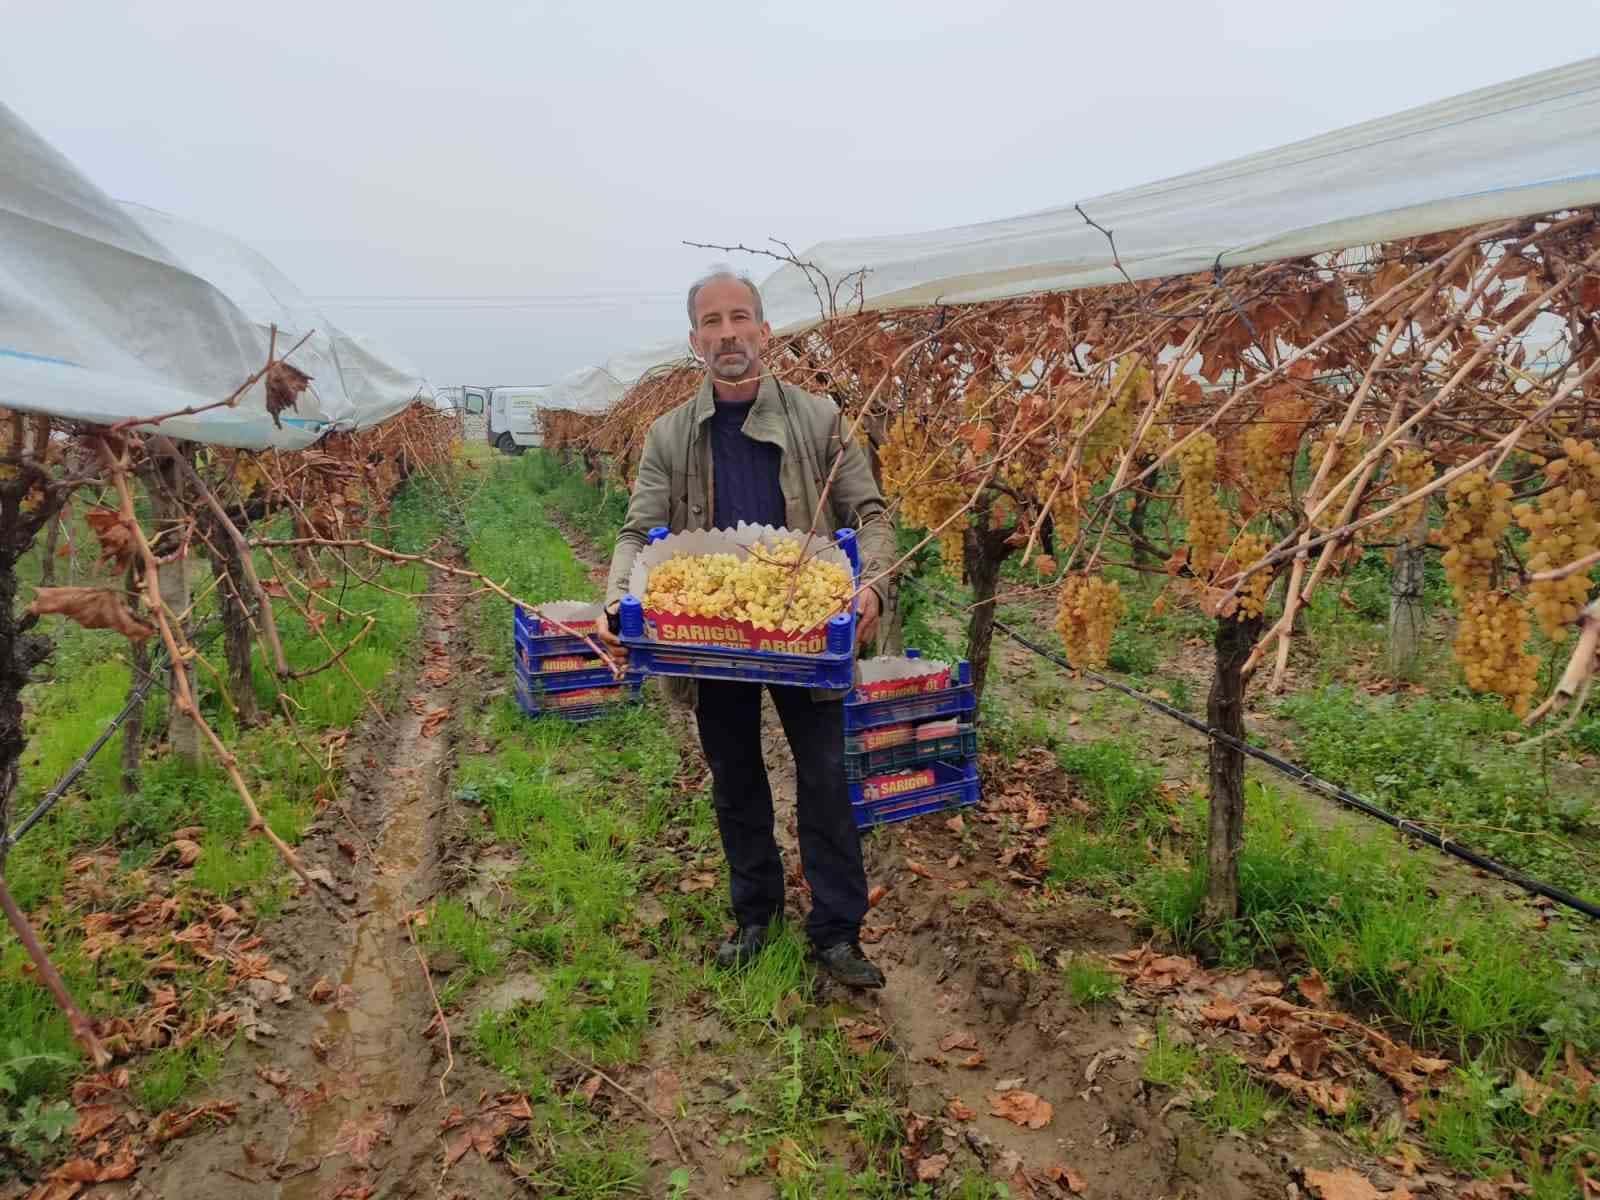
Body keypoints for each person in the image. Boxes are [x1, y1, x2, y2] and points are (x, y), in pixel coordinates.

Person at [597, 270, 894, 989]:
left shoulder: (820, 420)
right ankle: (756, 917)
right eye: (712, 322)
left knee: (825, 779)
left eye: (739, 318)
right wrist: (617, 599)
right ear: (694, 340)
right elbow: (638, 531)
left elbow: (872, 515)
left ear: (764, 330)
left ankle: (837, 933)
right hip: (712, 638)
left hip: (806, 635)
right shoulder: (670, 434)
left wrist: (874, 588)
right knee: (735, 780)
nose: (727, 334)